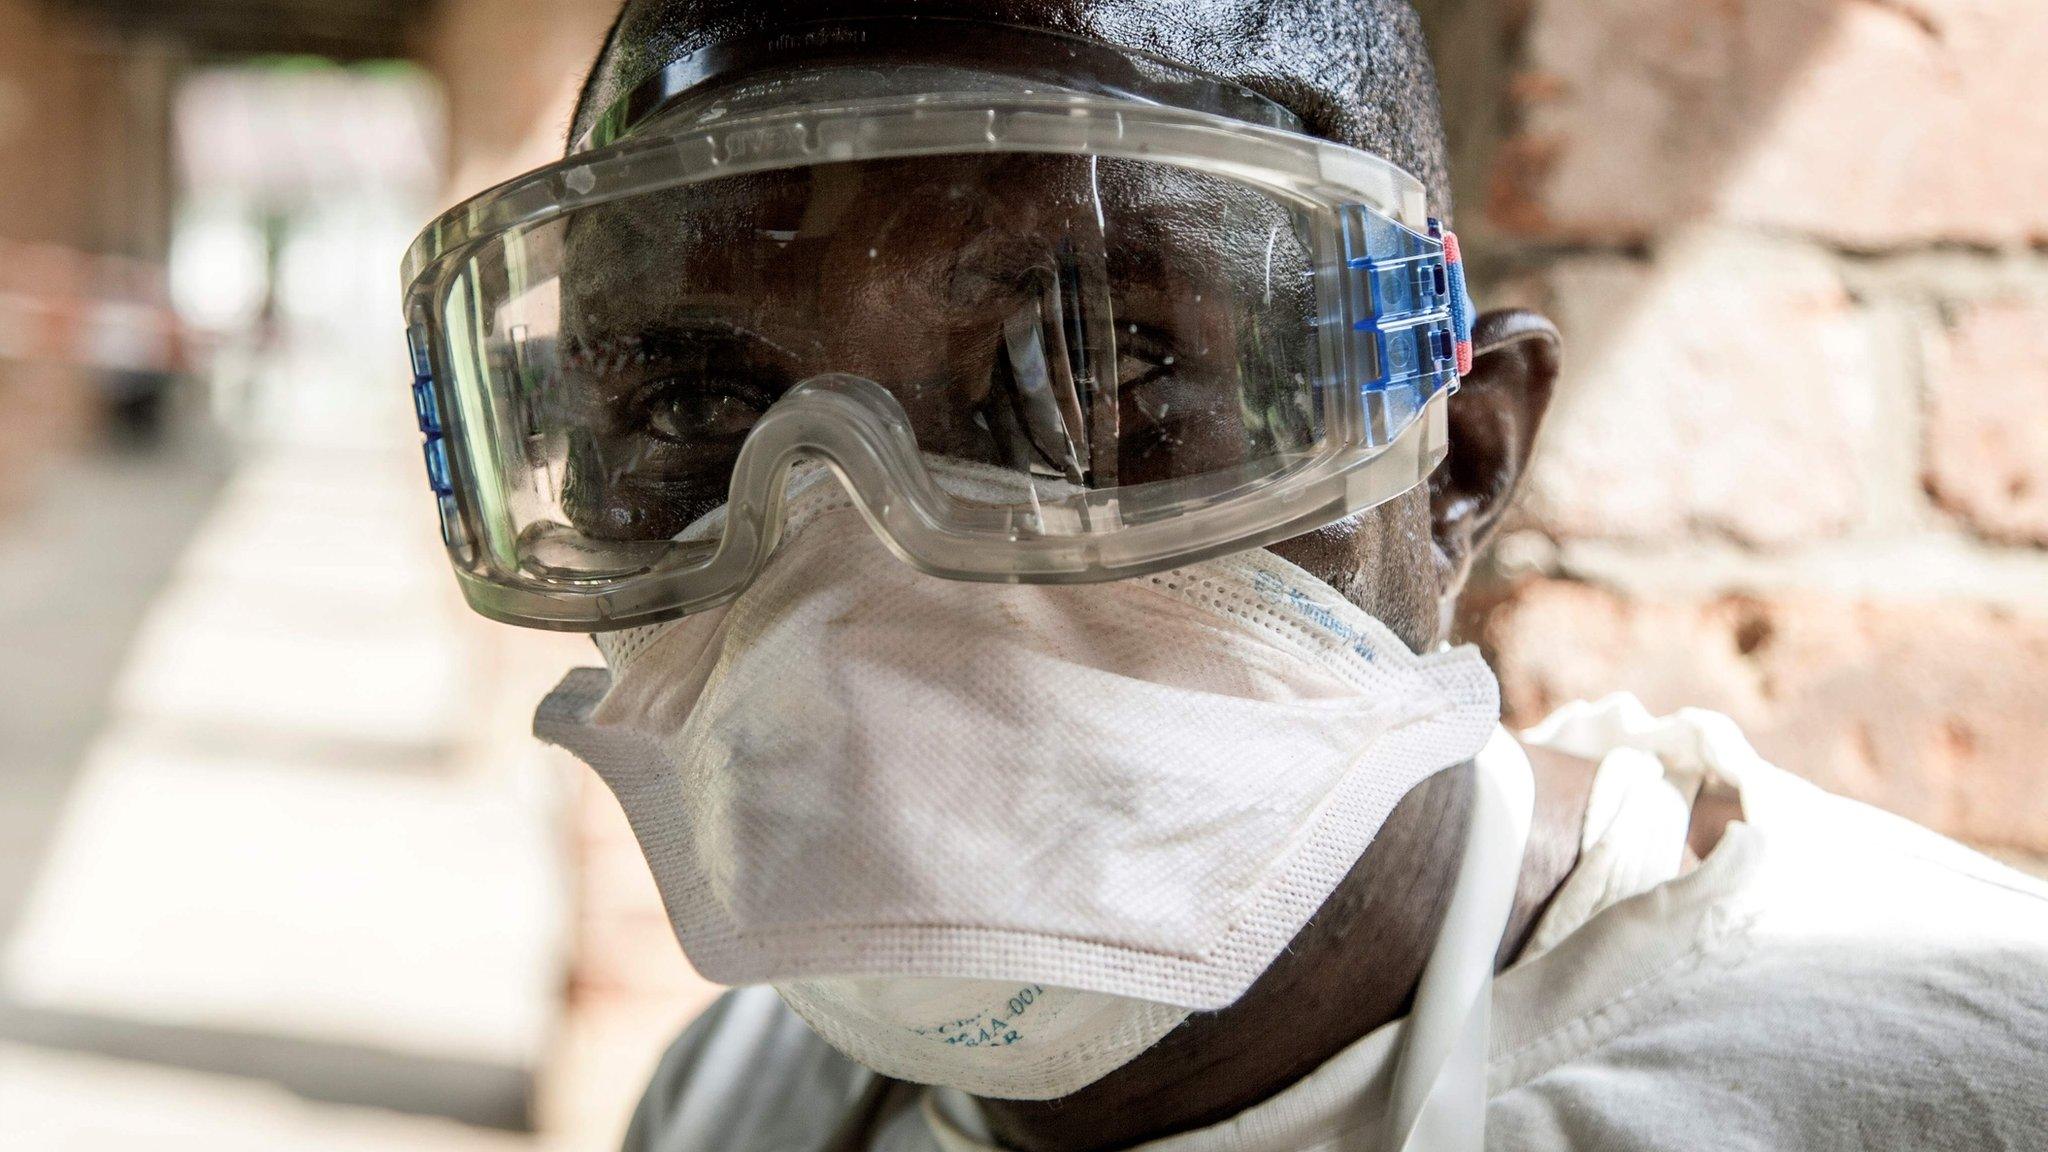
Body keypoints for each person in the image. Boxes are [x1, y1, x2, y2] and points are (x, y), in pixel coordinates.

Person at [397, 2, 2048, 1149]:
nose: (858, 568)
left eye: (1102, 370)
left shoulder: (1933, 1087)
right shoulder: (744, 1098)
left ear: (1460, 460)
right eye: (697, 405)